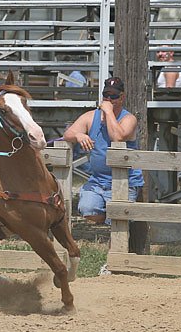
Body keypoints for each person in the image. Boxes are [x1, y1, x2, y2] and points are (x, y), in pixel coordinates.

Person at [62, 76, 144, 224]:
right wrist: (79, 135)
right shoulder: (91, 116)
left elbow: (117, 137)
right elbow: (67, 134)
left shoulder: (129, 119)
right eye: (106, 95)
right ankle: (109, 220)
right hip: (98, 181)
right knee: (86, 209)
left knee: (119, 221)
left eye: (113, 96)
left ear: (121, 97)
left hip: (125, 180)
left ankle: (115, 226)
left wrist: (108, 112)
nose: (109, 99)